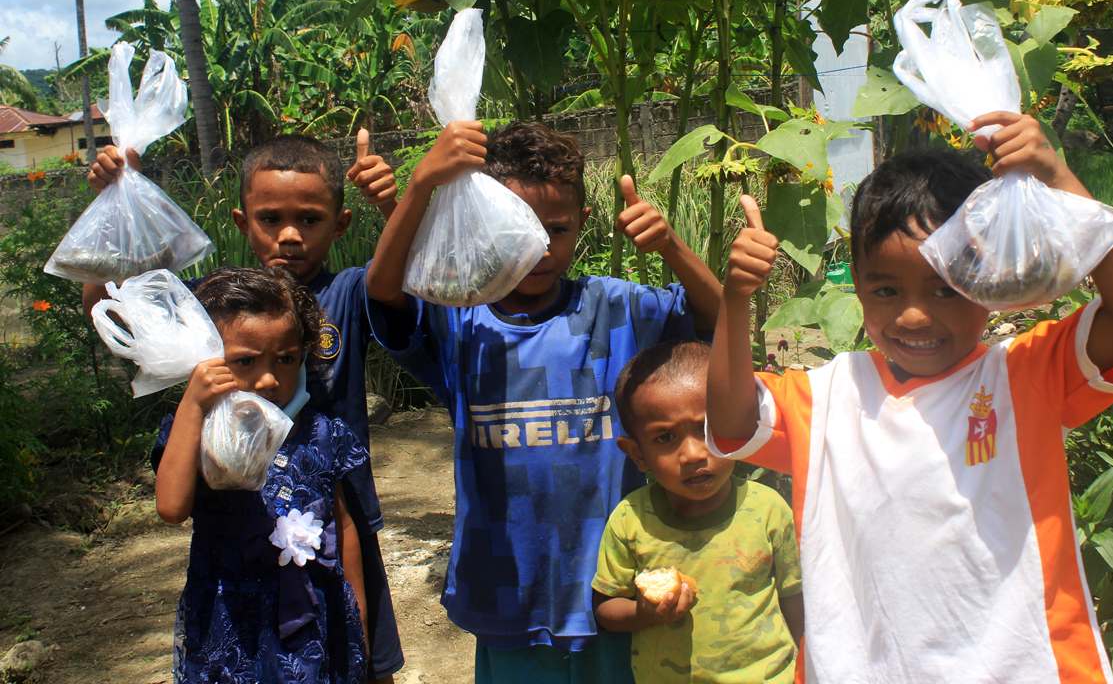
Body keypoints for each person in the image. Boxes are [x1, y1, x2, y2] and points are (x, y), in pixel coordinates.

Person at [706, 112, 1113, 684]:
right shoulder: (827, 397)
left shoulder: (1025, 376)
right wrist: (735, 299)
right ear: (856, 280)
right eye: (886, 289)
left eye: (946, 288)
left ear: (990, 279)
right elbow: (730, 425)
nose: (914, 314)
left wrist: (1056, 178)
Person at [366, 121, 723, 682]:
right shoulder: (461, 320)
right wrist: (419, 188)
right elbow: (385, 292)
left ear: (582, 223)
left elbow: (721, 322)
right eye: (517, 229)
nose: (537, 248)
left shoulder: (619, 309)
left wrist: (670, 246)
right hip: (504, 589)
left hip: (616, 591)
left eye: (555, 229)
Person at [85, 132, 406, 683]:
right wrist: (116, 200)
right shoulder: (214, 304)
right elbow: (112, 309)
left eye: (309, 219)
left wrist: (393, 206)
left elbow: (409, 276)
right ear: (241, 221)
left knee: (361, 656)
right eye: (269, 218)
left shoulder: (351, 291)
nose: (289, 233)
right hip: (237, 534)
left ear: (341, 225)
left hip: (332, 512)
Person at [153, 266, 369, 683]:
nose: (269, 378)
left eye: (285, 359)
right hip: (229, 623)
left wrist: (355, 609)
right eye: (245, 361)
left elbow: (343, 525)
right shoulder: (196, 435)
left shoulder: (322, 434)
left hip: (315, 619)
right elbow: (171, 507)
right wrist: (194, 406)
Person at [592, 339, 803, 684]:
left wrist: (815, 663)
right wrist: (644, 614)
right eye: (665, 438)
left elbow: (795, 597)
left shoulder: (767, 510)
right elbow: (605, 608)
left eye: (707, 429)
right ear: (637, 453)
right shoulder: (631, 520)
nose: (692, 454)